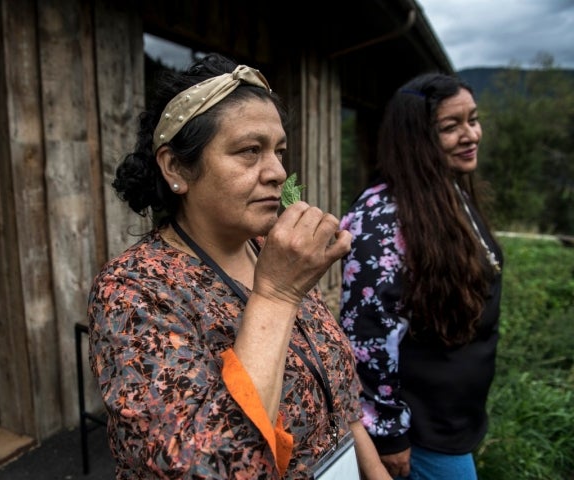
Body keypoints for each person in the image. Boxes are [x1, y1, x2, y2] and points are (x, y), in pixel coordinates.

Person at [88, 52, 390, 479]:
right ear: (176, 167)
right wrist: (277, 295)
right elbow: (206, 467)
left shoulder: (273, 249)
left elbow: (336, 392)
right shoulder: (135, 289)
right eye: (250, 151)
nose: (278, 172)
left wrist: (375, 471)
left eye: (279, 151)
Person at [339, 72, 504, 480]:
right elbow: (368, 335)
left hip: (454, 422)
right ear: (416, 140)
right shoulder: (382, 216)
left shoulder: (450, 191)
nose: (471, 135)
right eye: (451, 126)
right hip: (421, 434)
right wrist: (389, 434)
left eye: (473, 119)